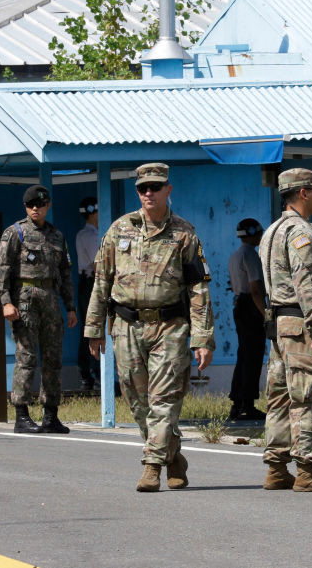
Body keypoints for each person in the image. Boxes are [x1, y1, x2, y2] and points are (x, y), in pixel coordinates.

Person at [85, 163, 215, 492]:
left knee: (164, 399)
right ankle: (173, 457)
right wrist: (94, 327)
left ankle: (152, 465)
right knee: (138, 402)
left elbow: (199, 289)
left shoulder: (185, 234)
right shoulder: (118, 230)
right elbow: (102, 280)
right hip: (126, 326)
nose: (148, 193)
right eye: (143, 188)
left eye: (155, 187)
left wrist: (203, 338)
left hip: (170, 327)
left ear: (168, 190)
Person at [260, 168, 312, 493]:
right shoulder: (300, 231)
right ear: (304, 193)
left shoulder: (272, 230)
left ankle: (277, 467)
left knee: (280, 396)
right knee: (310, 395)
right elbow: (306, 282)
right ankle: (307, 469)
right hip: (298, 323)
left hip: (279, 324)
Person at [0, 184, 77, 435]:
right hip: (25, 300)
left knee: (53, 358)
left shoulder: (57, 236)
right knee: (27, 356)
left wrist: (70, 307)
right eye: (30, 205)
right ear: (25, 207)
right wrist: (7, 302)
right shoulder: (15, 233)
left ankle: (51, 414)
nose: (35, 209)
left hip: (50, 299)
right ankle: (21, 414)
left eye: (40, 205)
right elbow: (0, 272)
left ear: (48, 205)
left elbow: (65, 273)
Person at [228, 218, 267, 421]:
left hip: (239, 306)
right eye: (259, 232)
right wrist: (266, 314)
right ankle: (248, 405)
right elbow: (255, 289)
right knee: (253, 356)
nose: (261, 235)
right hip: (250, 307)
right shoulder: (250, 255)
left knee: (243, 355)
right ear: (252, 232)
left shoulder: (235, 256)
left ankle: (238, 403)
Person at [75, 196, 102, 391]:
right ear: (94, 212)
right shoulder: (91, 236)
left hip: (85, 282)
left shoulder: (83, 234)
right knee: (92, 327)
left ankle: (87, 372)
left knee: (87, 326)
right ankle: (94, 371)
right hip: (92, 282)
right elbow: (97, 264)